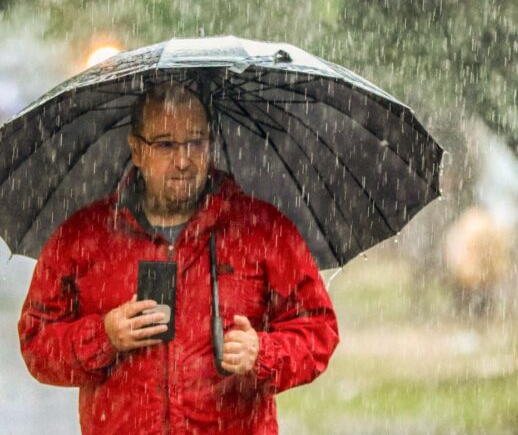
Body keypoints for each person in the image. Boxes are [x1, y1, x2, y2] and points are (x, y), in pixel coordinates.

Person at [18, 82, 339, 434]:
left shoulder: (260, 229)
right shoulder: (83, 236)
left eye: (196, 142)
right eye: (166, 144)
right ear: (137, 150)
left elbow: (317, 329)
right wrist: (103, 336)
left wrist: (263, 352)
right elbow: (37, 342)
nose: (184, 160)